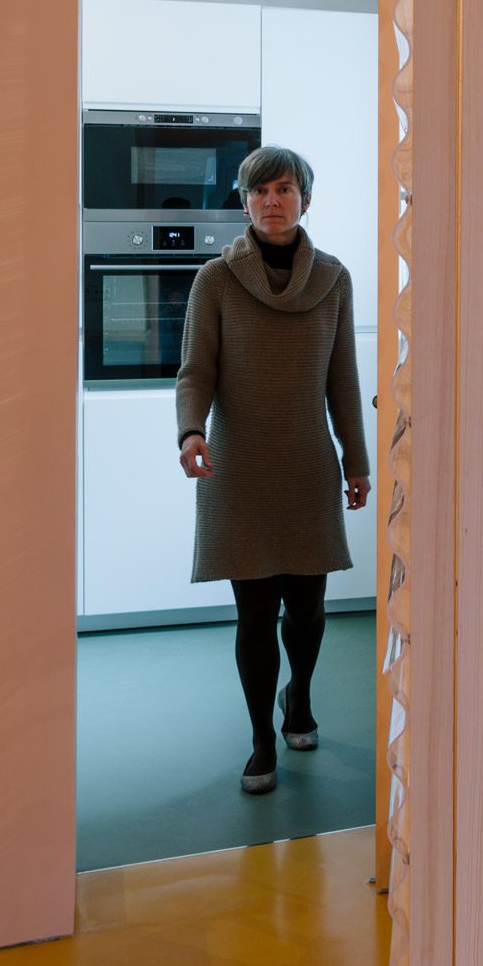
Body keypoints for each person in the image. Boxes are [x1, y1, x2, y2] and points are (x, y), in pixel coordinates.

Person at [175, 146, 371, 794]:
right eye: (259, 191)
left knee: (308, 610)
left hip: (308, 467)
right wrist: (191, 429)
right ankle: (262, 736)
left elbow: (343, 382)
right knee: (255, 615)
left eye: (284, 188)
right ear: (244, 201)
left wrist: (356, 460)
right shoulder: (215, 280)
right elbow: (196, 370)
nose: (271, 201)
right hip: (240, 474)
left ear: (305, 199)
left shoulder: (334, 280)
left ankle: (300, 696)